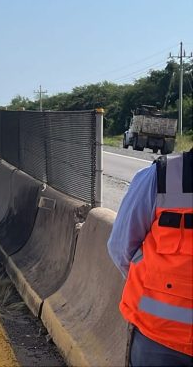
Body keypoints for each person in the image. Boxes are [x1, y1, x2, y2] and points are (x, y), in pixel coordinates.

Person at [107, 149, 192, 366]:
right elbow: (121, 247)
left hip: (157, 337)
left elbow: (121, 248)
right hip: (160, 341)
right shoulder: (162, 175)